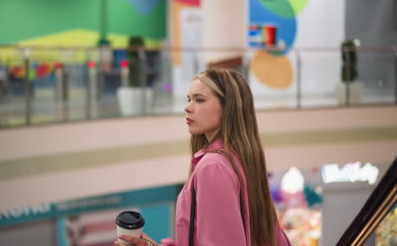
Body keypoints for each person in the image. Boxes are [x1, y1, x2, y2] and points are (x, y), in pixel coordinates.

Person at [115, 68, 292, 246]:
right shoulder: (242, 158)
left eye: (199, 100)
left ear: (228, 107)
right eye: (189, 99)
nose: (188, 107)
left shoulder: (213, 166)